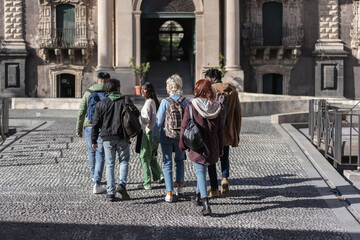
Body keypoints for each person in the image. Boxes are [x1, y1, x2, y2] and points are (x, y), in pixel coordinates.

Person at [179, 79, 223, 216]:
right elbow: (221, 129)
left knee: (200, 172)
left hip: (197, 142)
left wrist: (182, 143)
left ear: (198, 90)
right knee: (202, 170)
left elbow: (184, 124)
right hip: (212, 142)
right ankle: (197, 196)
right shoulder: (216, 106)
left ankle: (205, 203)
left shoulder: (191, 104)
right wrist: (220, 147)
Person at [91, 79, 132, 202]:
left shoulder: (101, 104)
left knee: (110, 163)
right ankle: (122, 184)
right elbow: (135, 116)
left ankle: (110, 192)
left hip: (107, 138)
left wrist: (94, 140)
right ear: (118, 88)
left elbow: (95, 124)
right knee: (124, 161)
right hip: (122, 136)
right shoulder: (125, 101)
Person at [204, 68, 242, 197]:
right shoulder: (232, 90)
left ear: (212, 78)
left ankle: (214, 189)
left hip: (212, 130)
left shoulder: (209, 90)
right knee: (224, 155)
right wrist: (236, 132)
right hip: (226, 130)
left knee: (211, 159)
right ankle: (224, 178)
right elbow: (238, 113)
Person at [152, 74, 189, 202]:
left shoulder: (165, 102)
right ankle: (180, 188)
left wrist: (154, 134)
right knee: (180, 161)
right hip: (181, 136)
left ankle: (169, 193)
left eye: (167, 85)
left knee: (167, 163)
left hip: (166, 134)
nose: (166, 87)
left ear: (171, 87)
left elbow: (158, 120)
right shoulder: (186, 101)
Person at [75, 72, 110, 194]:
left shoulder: (88, 92)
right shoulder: (108, 93)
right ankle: (97, 182)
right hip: (102, 126)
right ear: (107, 80)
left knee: (91, 151)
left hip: (89, 125)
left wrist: (78, 128)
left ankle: (93, 176)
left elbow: (81, 111)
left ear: (97, 80)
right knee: (100, 153)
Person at [138, 82, 164, 190]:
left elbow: (146, 120)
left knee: (144, 157)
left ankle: (147, 182)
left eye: (144, 89)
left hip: (148, 133)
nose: (142, 91)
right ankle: (159, 176)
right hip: (155, 132)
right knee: (152, 156)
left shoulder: (148, 103)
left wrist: (138, 117)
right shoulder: (154, 101)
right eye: (141, 89)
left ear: (149, 90)